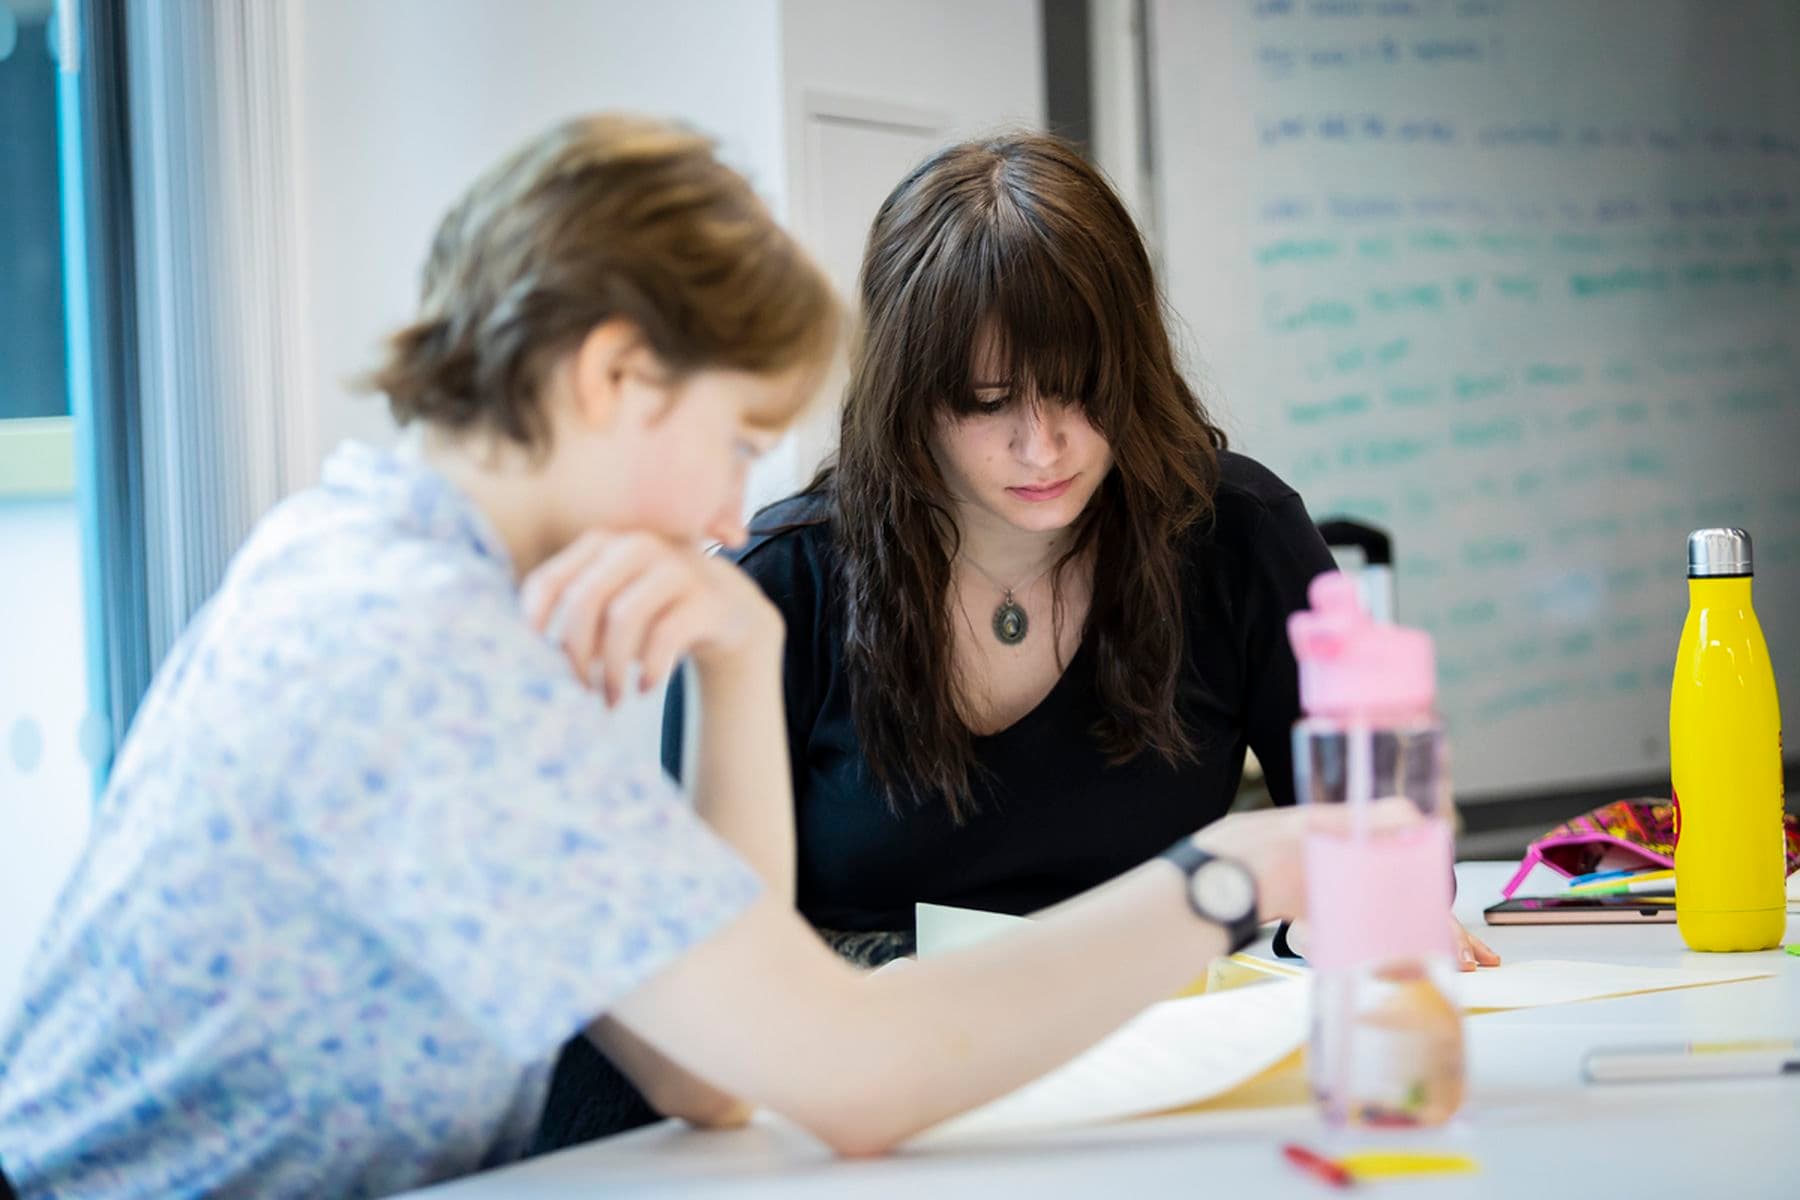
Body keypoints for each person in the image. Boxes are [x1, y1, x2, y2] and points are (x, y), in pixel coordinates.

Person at [0, 115, 1396, 1200]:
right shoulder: (432, 660)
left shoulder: (358, 546)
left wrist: (738, 658)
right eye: (734, 437)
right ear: (614, 379)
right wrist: (1246, 870)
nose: (737, 509)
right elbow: (848, 1075)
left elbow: (696, 1070)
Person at [656, 131, 1497, 967]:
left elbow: (1383, 839)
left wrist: (1347, 906)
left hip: (1166, 1052)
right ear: (907, 395)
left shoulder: (1236, 531)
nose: (1043, 447)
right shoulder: (780, 584)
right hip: (879, 1064)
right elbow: (709, 967)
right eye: (986, 404)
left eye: (1079, 393)